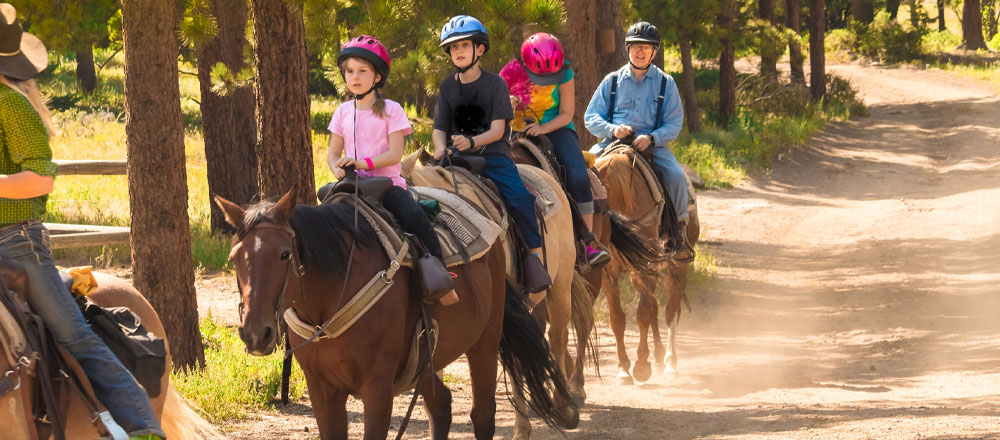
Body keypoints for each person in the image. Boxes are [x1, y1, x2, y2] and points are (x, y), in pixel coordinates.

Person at [0, 4, 165, 439]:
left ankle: (143, 428)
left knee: (74, 336)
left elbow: (39, 180)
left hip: (15, 242)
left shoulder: (9, 105)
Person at [327, 35, 458, 305]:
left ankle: (440, 277)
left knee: (414, 216)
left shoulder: (391, 110)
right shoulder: (341, 112)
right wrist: (336, 168)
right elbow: (332, 152)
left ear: (377, 77)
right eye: (350, 71)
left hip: (386, 186)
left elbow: (395, 155)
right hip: (351, 186)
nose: (355, 77)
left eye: (363, 71)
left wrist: (363, 163)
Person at [431, 15, 551, 293]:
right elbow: (439, 128)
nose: (458, 52)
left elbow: (498, 130)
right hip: (454, 157)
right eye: (453, 47)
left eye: (464, 45)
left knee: (519, 197)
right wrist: (439, 146)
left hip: (492, 156)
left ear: (480, 49)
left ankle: (533, 258)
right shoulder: (447, 86)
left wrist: (471, 142)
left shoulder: (495, 84)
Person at [583, 21, 695, 263]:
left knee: (676, 176)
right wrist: (613, 129)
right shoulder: (612, 81)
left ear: (654, 52)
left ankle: (678, 234)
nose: (640, 51)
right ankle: (582, 235)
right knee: (583, 171)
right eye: (635, 47)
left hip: (651, 145)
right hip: (611, 143)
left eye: (646, 47)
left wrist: (652, 138)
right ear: (627, 50)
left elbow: (674, 122)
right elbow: (590, 117)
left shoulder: (666, 83)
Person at [500, 32, 611, 269]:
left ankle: (587, 244)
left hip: (556, 128)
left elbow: (566, 113)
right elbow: (496, 114)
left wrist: (543, 128)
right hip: (515, 129)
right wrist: (507, 106)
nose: (549, 79)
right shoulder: (509, 73)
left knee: (579, 176)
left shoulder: (566, 71)